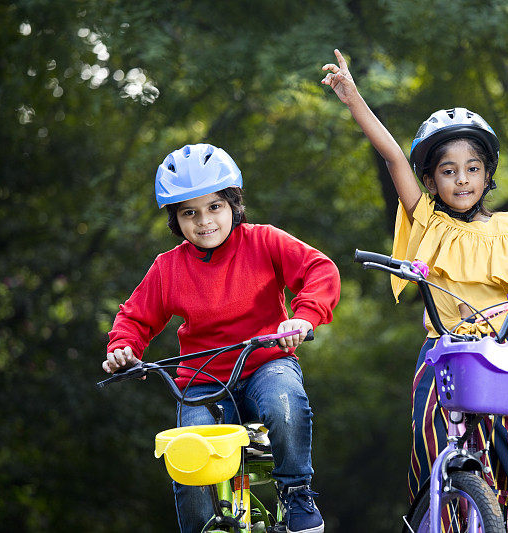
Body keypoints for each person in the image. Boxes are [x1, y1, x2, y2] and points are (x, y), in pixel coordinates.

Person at [322, 49, 508, 533]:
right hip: (445, 355)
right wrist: (354, 99)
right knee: (431, 445)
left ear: (488, 174)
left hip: (501, 357)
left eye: (472, 168)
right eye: (448, 170)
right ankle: (438, 512)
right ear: (431, 180)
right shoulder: (429, 222)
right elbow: (390, 155)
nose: (462, 179)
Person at [102, 143, 339, 533]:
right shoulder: (168, 267)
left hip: (267, 362)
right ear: (176, 220)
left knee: (285, 403)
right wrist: (122, 350)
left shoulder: (264, 241)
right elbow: (134, 318)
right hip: (203, 380)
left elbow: (320, 270)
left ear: (234, 205)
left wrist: (303, 317)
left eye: (215, 206)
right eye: (189, 212)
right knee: (188, 455)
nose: (204, 220)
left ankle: (296, 492)